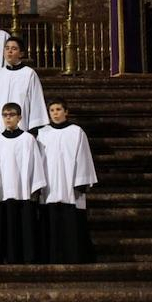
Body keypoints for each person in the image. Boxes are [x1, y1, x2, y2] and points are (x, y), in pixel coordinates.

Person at [37, 97, 97, 264]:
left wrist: (81, 181)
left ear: (66, 112)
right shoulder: (42, 133)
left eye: (58, 109)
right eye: (52, 110)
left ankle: (74, 257)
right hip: (50, 185)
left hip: (71, 186)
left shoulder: (76, 132)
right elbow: (38, 160)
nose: (55, 113)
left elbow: (83, 156)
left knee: (73, 224)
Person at [0, 102, 46, 264]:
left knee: (25, 227)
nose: (8, 118)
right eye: (5, 115)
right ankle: (7, 257)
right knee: (7, 227)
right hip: (4, 192)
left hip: (24, 191)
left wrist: (35, 187)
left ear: (19, 118)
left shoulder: (28, 139)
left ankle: (28, 257)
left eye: (11, 115)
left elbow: (35, 163)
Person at [0, 37, 48, 135]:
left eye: (14, 49)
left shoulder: (29, 73)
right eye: (7, 48)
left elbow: (36, 100)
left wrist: (34, 127)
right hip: (0, 127)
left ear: (21, 54)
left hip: (22, 126)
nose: (9, 51)